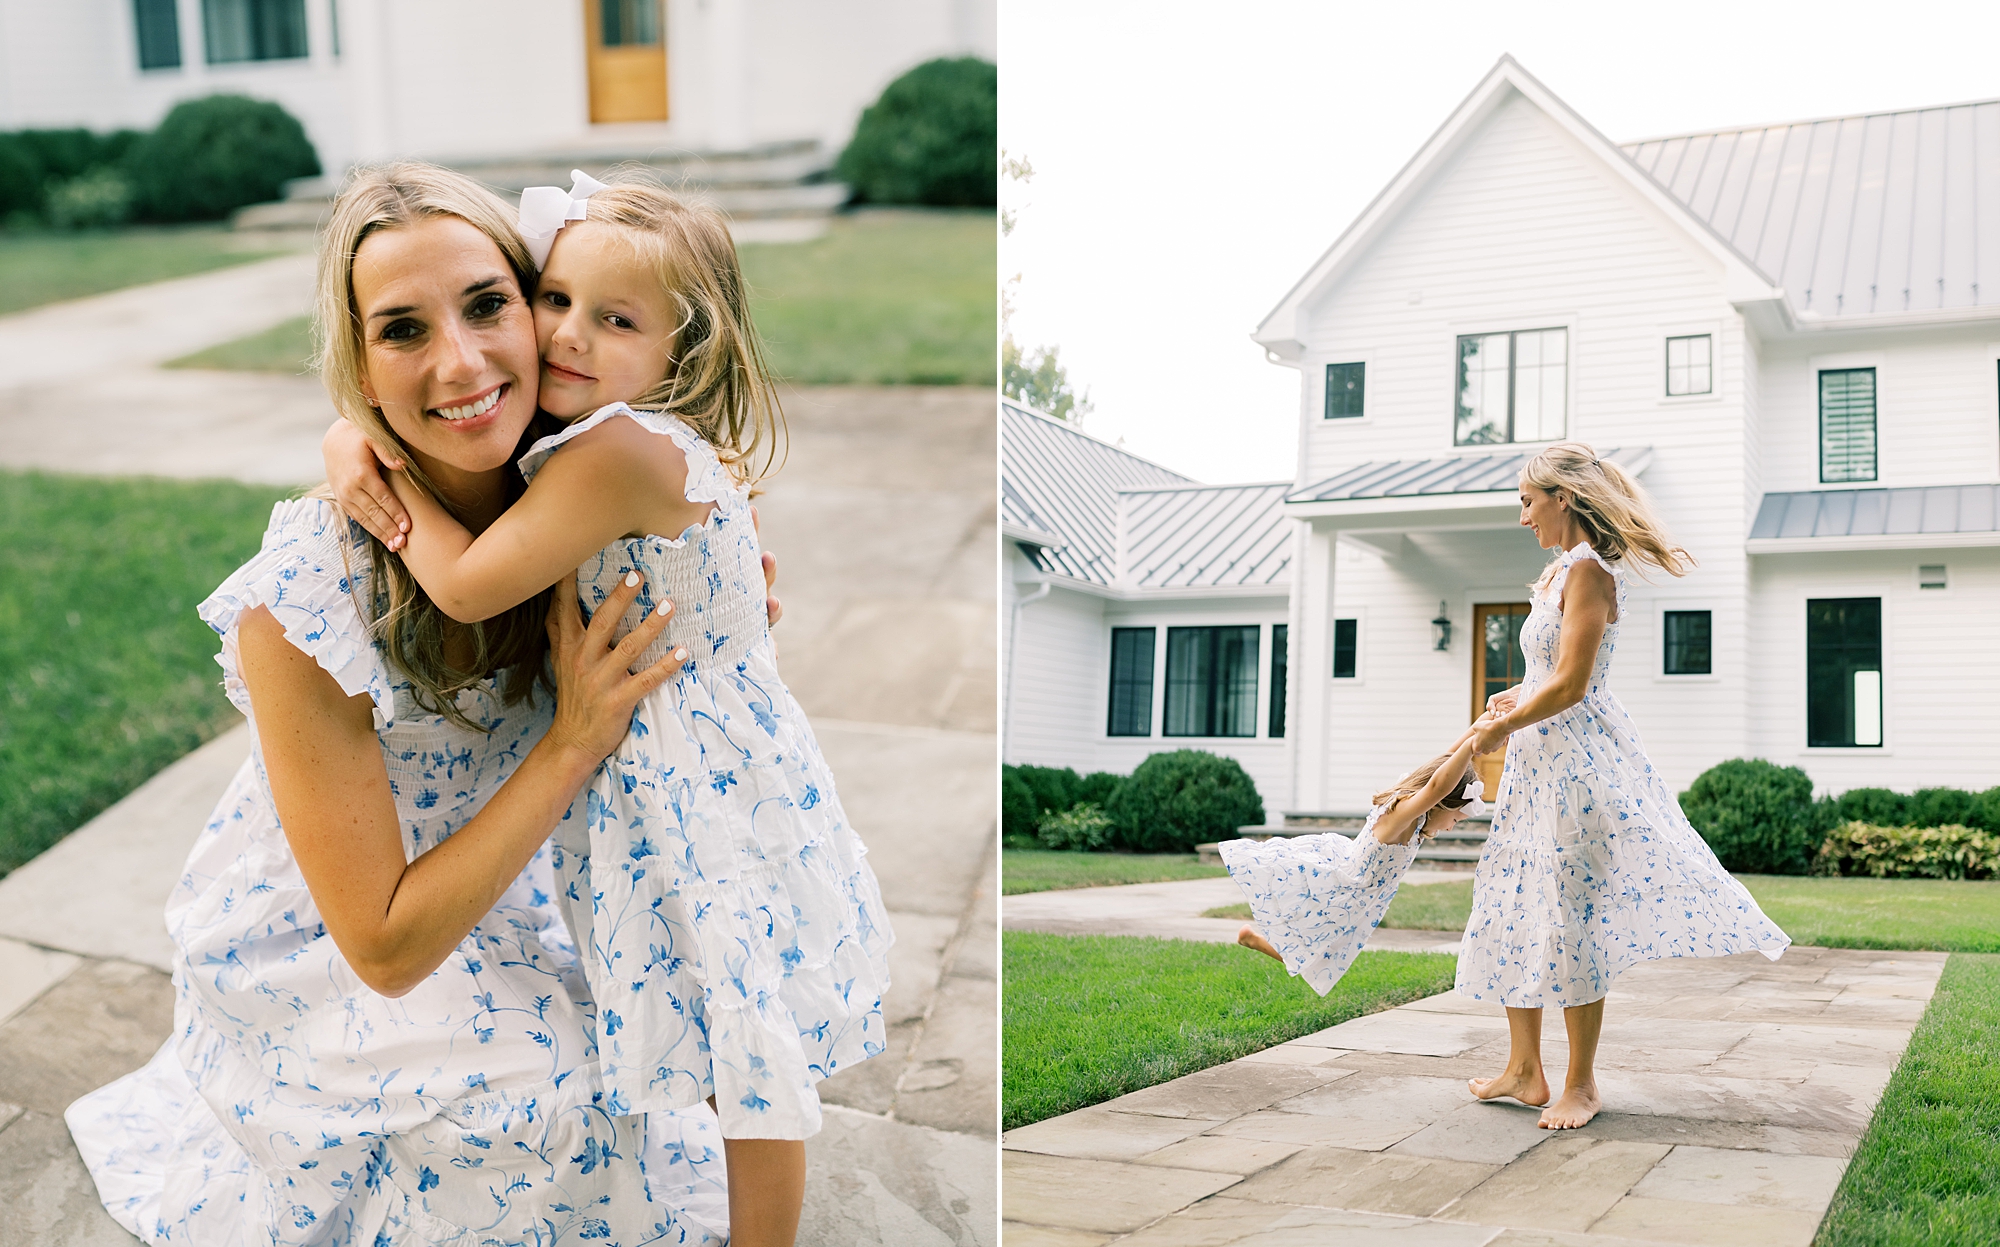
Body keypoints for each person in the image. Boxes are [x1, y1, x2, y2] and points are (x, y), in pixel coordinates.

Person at [63, 164, 779, 1246]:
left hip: (512, 876)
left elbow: (723, 586)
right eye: (402, 330)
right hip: (338, 930)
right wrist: (573, 741)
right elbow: (385, 946)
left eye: (489, 305)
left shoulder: (571, 495)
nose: (461, 362)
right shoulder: (304, 597)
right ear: (356, 365)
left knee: (657, 1047)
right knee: (545, 1109)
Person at [320, 171, 893, 1247]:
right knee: (716, 1017)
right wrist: (349, 430)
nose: (568, 334)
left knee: (741, 1041)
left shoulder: (617, 451)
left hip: (689, 781)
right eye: (554, 298)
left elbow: (467, 585)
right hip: (686, 762)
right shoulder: (613, 433)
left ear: (685, 352)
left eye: (615, 319)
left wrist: (371, 478)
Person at [1459, 441, 1790, 1130]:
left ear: (1563, 498)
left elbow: (1574, 685)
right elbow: (1548, 675)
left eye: (1527, 501)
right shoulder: (1557, 572)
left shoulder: (1589, 571)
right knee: (1513, 901)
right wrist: (1512, 698)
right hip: (1533, 763)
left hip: (1575, 768)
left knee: (1570, 913)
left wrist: (1503, 726)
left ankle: (1579, 1084)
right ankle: (1524, 1070)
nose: (1522, 517)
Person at [1224, 726, 1488, 993]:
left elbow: (1444, 763)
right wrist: (1473, 745)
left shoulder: (1418, 815)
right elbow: (1438, 784)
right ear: (1442, 802)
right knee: (1319, 956)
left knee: (1326, 956)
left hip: (1363, 895)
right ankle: (1253, 940)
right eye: (1456, 819)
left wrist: (1487, 721)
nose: (1451, 827)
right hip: (1347, 887)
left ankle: (1253, 939)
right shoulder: (1402, 815)